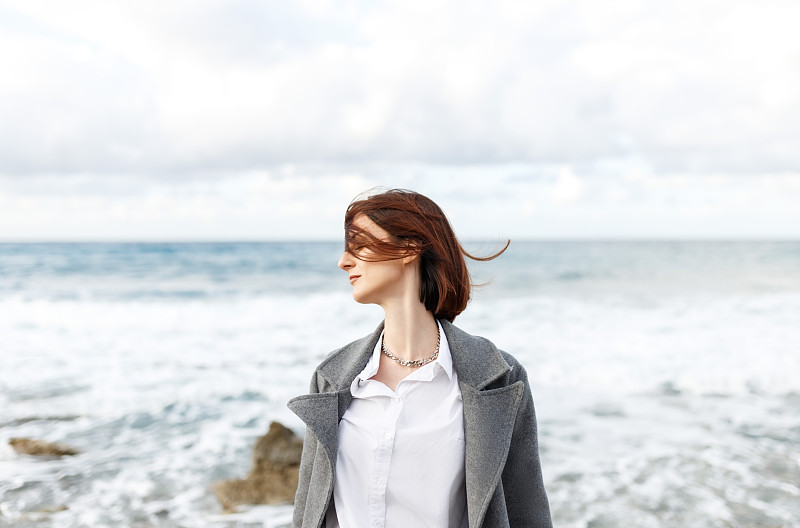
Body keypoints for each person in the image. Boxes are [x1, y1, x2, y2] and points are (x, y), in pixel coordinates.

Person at [287, 189, 552, 528]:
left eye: (359, 244)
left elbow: (527, 512)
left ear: (409, 248)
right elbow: (307, 512)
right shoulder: (332, 377)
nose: (344, 260)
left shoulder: (500, 378)